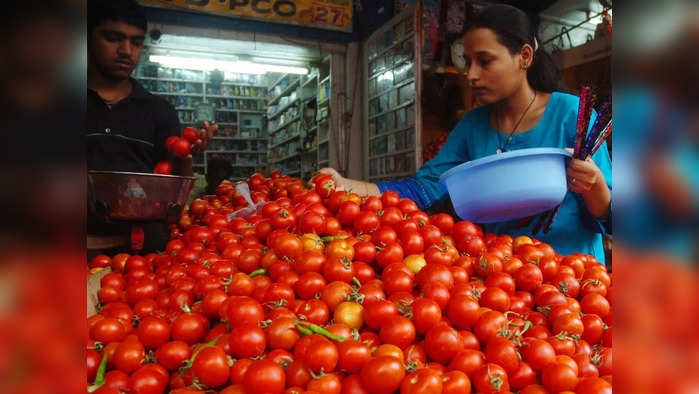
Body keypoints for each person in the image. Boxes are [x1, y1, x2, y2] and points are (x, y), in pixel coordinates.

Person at [320, 4, 612, 263]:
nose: (471, 75)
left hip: (575, 288)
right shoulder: (473, 125)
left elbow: (614, 217)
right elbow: (423, 189)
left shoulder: (572, 115)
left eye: (484, 61)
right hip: (504, 283)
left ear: (524, 57)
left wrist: (594, 184)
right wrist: (346, 186)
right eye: (467, 62)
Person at [86, 0, 217, 253]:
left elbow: (172, 186)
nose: (126, 50)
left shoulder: (159, 111)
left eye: (136, 42)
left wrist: (186, 154)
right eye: (113, 38)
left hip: (141, 252)